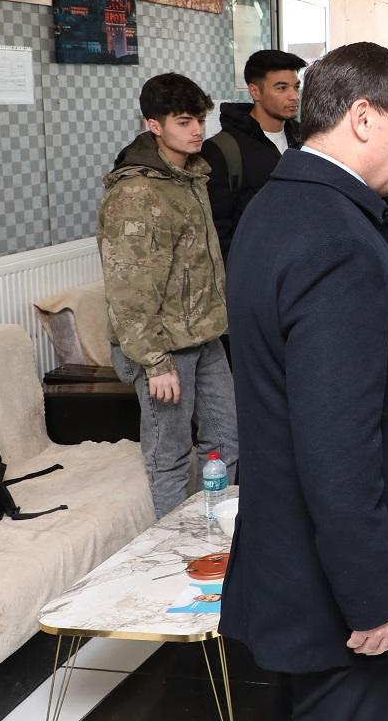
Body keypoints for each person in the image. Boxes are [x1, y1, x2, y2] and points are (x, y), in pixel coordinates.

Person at [220, 42, 388, 721]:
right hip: (333, 581)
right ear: (364, 118)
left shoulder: (279, 202)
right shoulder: (337, 239)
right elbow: (337, 448)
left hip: (287, 554)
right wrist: (373, 593)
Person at [96, 73, 236, 520]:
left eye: (199, 120)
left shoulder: (190, 176)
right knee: (170, 456)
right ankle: (174, 550)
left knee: (226, 442)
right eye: (183, 122)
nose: (197, 131)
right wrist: (155, 362)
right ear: (153, 125)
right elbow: (128, 288)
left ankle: (218, 539)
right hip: (163, 348)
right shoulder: (137, 192)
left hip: (204, 336)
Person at [202, 49, 306, 260]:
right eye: (281, 88)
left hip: (301, 264)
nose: (294, 96)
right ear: (255, 92)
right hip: (253, 269)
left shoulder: (306, 140)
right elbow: (218, 229)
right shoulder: (223, 149)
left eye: (296, 87)